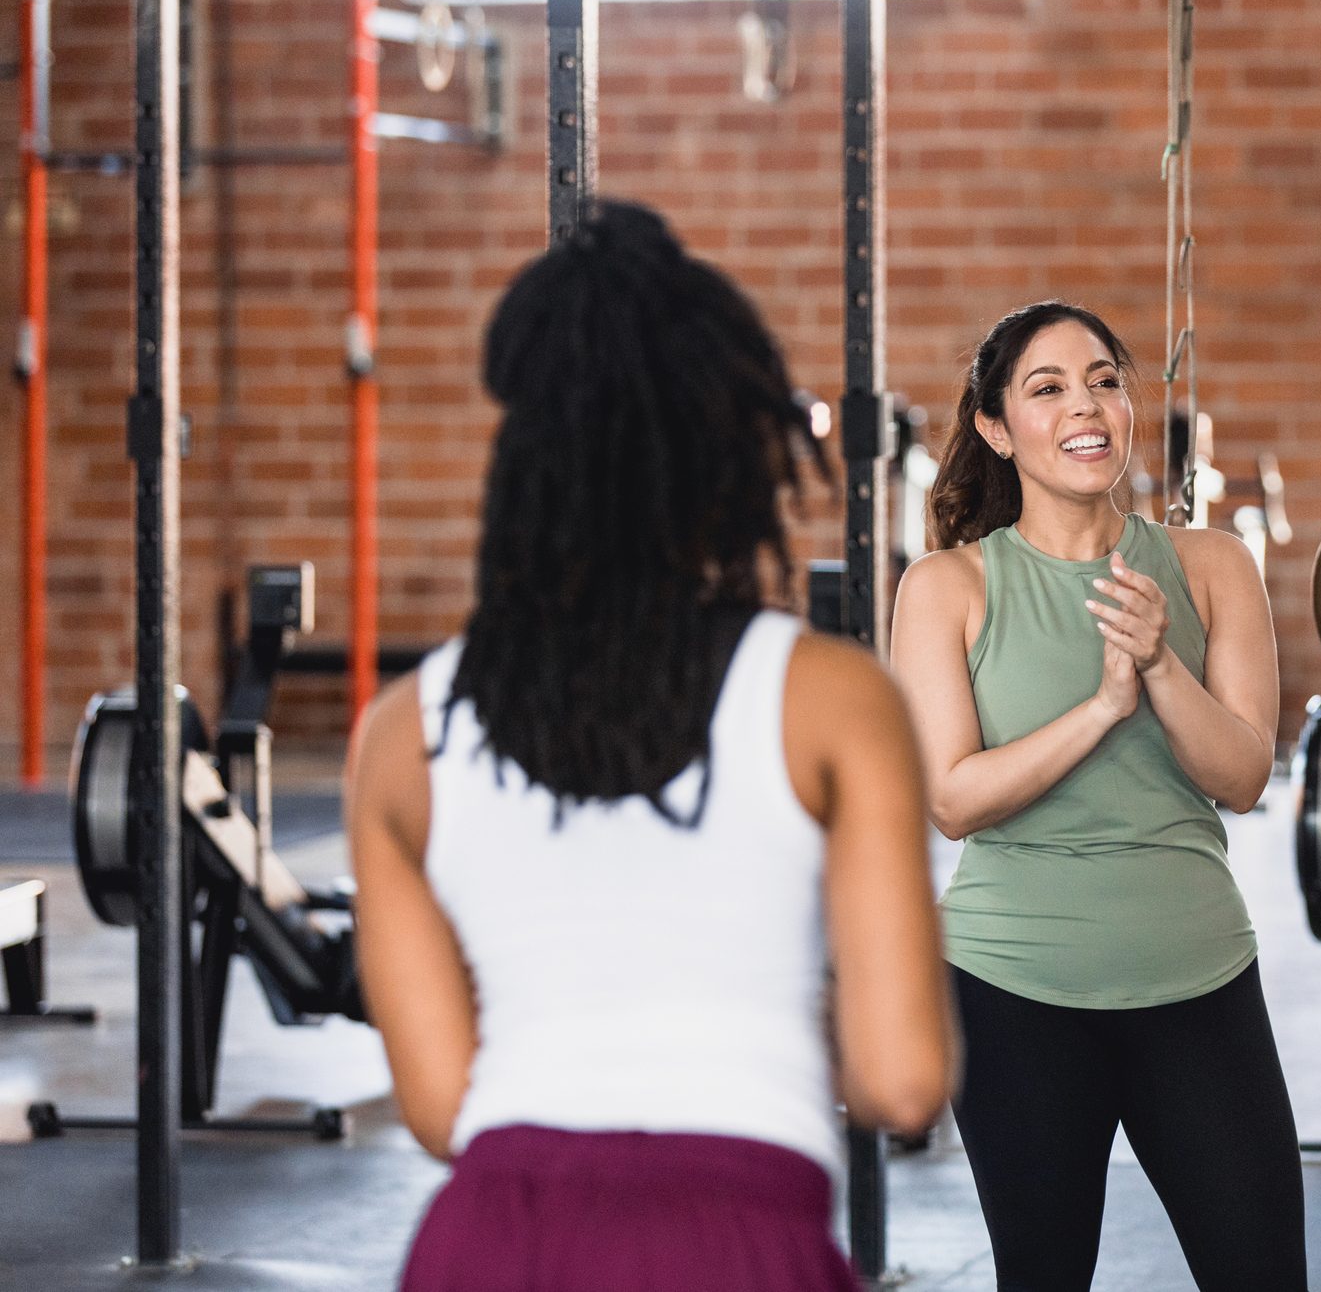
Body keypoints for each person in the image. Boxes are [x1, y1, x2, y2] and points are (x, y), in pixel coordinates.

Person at [345, 201, 955, 1292]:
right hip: (734, 1239)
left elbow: (443, 1110)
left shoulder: (400, 737)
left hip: (491, 1244)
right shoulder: (829, 699)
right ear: (729, 456)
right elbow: (903, 1078)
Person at [891, 300, 1306, 1291]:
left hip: (1197, 976)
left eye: (1104, 380)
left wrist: (1159, 665)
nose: (1087, 405)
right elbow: (952, 798)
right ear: (996, 426)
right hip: (1011, 992)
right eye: (1049, 387)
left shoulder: (1208, 567)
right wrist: (1103, 705)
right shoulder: (947, 587)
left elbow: (1243, 775)